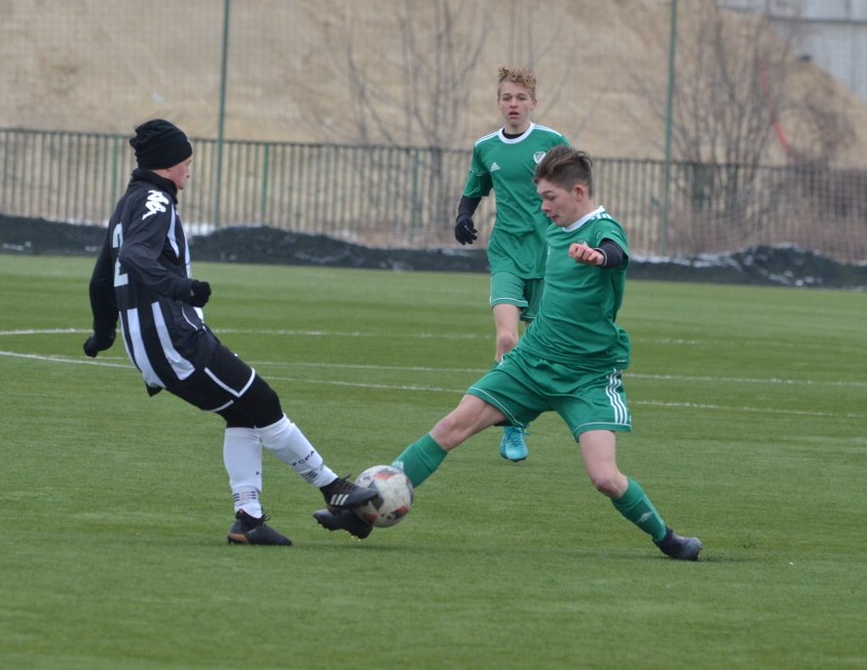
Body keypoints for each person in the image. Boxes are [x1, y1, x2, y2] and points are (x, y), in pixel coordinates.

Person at [319, 146, 702, 561]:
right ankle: (364, 513)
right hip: (531, 363)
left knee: (606, 479)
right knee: (449, 429)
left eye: (549, 198)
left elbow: (617, 253)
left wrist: (597, 257)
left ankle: (668, 539)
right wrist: (468, 210)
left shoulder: (603, 229)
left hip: (587, 376)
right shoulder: (552, 225)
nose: (544, 206)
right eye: (540, 198)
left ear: (577, 192)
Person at [83, 119, 376, 545]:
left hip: (152, 345)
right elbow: (133, 256)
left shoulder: (129, 203)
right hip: (173, 339)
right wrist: (180, 287)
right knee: (263, 400)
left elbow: (101, 277)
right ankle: (336, 490)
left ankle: (249, 519)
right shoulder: (155, 202)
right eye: (186, 161)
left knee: (240, 412)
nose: (189, 170)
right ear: (168, 164)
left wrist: (103, 332)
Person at [454, 66, 570, 463]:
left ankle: (520, 413)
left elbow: (574, 192)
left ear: (533, 103)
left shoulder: (552, 142)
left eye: (521, 98)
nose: (514, 104)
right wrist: (463, 217)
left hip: (549, 256)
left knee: (540, 350)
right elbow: (474, 188)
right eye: (507, 97)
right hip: (506, 253)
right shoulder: (486, 146)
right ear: (499, 103)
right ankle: (512, 427)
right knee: (507, 339)